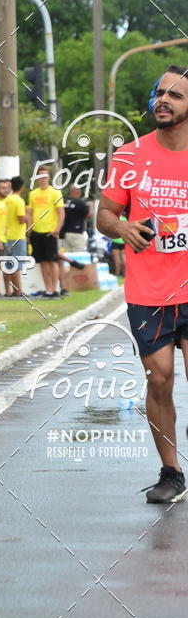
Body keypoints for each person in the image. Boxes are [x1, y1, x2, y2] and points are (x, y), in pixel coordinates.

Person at [97, 65, 188, 504]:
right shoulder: (131, 155)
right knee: (160, 381)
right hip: (149, 291)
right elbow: (105, 216)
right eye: (160, 92)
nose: (164, 101)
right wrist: (124, 228)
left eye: (176, 95)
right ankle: (171, 472)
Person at [27, 167, 64, 298]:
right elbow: (29, 213)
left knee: (53, 261)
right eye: (40, 176)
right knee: (42, 261)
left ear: (48, 178)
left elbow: (61, 212)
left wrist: (57, 229)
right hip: (37, 232)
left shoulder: (55, 193)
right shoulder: (33, 194)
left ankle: (55, 289)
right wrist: (29, 229)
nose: (42, 178)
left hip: (50, 232)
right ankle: (48, 289)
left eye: (45, 176)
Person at [3, 175, 27, 297]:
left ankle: (8, 290)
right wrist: (29, 216)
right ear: (22, 187)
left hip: (6, 235)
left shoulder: (6, 199)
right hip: (18, 235)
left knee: (7, 265)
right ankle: (18, 290)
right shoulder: (19, 201)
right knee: (17, 264)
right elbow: (21, 219)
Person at [60, 185, 92, 252]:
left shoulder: (63, 202)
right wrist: (90, 207)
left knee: (67, 256)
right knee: (78, 256)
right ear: (78, 192)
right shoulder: (81, 203)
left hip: (64, 233)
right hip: (77, 233)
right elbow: (89, 216)